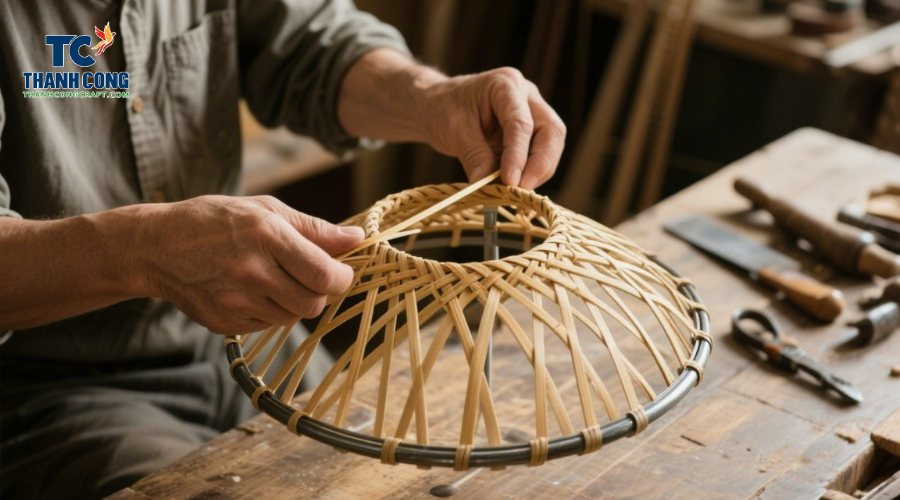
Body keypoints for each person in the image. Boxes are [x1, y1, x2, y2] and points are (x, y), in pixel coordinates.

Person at [0, 1, 566, 498]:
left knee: (395, 467)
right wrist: (146, 249)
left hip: (245, 334)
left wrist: (432, 96)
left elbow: (313, 47)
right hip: (53, 385)